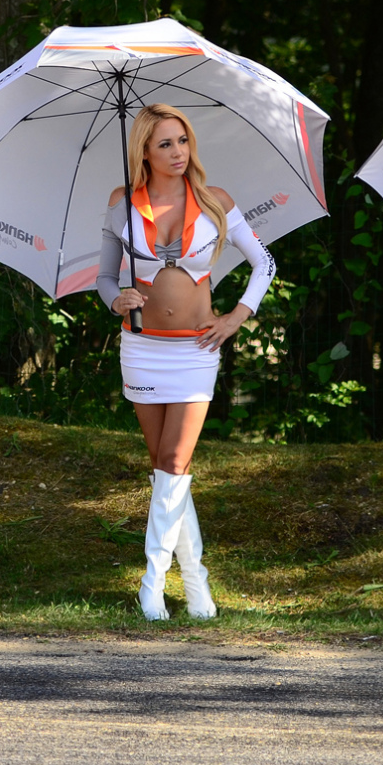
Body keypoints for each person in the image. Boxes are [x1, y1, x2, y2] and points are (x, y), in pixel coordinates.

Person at [98, 103, 276, 620]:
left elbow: (264, 262)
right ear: (144, 152)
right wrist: (117, 300)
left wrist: (237, 317)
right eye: (165, 144)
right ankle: (197, 587)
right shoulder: (121, 203)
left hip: (196, 353)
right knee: (165, 470)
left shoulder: (215, 200)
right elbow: (105, 278)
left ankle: (151, 585)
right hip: (142, 348)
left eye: (183, 141)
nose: (178, 152)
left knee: (175, 463)